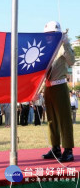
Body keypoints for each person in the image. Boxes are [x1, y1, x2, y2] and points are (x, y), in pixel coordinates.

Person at [42, 21, 75, 162]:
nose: (49, 37)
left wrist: (66, 43)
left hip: (60, 86)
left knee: (64, 120)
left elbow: (72, 61)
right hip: (47, 87)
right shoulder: (44, 48)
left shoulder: (63, 47)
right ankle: (55, 148)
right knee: (51, 120)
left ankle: (68, 150)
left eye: (52, 34)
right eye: (48, 34)